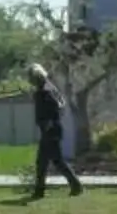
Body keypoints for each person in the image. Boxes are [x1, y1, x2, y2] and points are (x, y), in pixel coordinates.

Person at [27, 62, 82, 196]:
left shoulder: (45, 90)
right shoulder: (48, 87)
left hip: (50, 130)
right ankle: (40, 190)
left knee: (55, 161)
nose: (30, 80)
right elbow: (61, 103)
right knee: (44, 161)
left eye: (30, 77)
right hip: (51, 129)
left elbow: (56, 107)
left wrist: (49, 123)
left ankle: (76, 185)